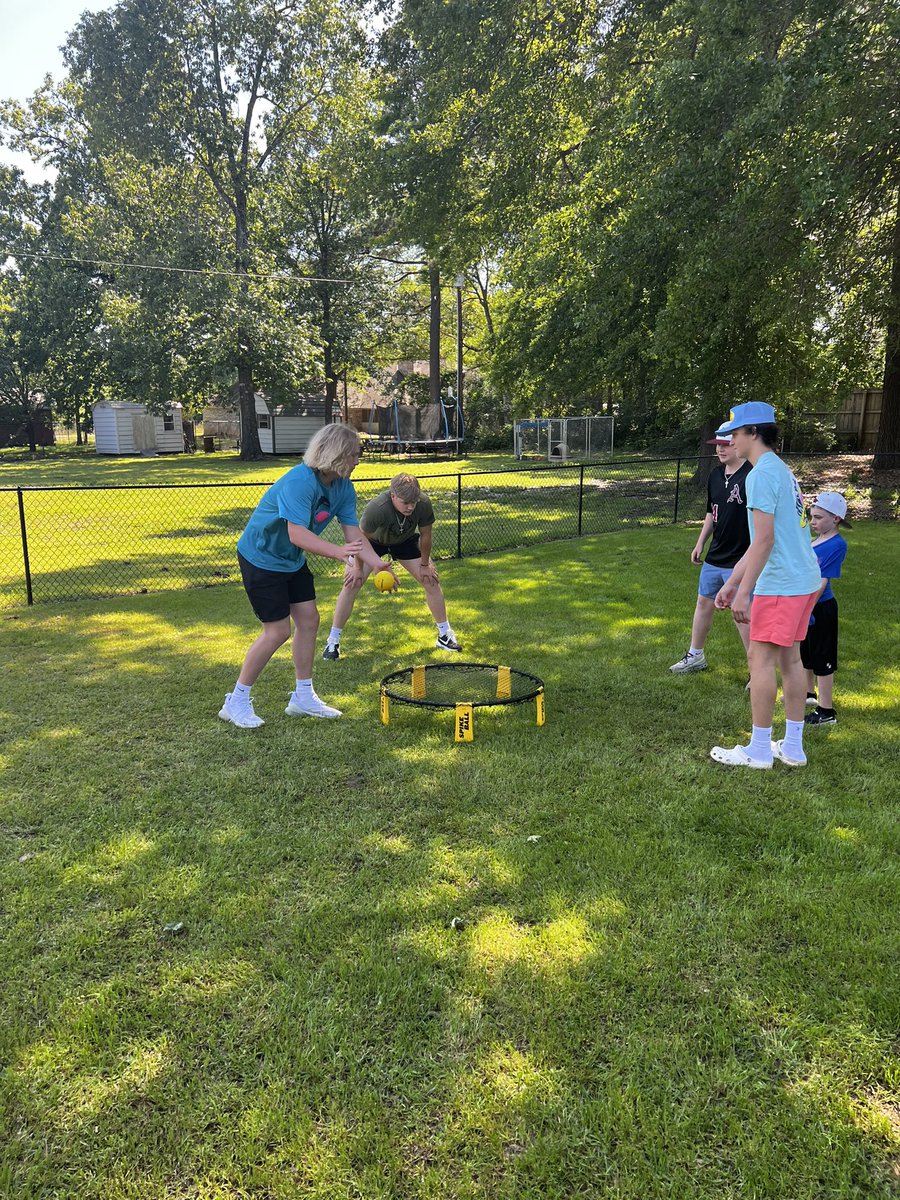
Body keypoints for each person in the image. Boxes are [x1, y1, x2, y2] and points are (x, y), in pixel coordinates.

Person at [219, 425, 395, 728]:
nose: (357, 461)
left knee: (309, 621)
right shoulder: (299, 483)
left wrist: (377, 564)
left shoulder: (342, 487)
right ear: (337, 454)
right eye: (355, 455)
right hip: (260, 558)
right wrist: (341, 554)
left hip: (289, 560)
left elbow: (354, 534)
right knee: (276, 631)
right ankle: (236, 700)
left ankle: (302, 697)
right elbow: (297, 533)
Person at [709, 402, 821, 769]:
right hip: (804, 580)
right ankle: (792, 747)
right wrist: (734, 582)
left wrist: (743, 591)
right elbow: (763, 539)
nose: (731, 441)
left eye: (735, 434)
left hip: (782, 584)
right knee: (791, 660)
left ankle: (758, 749)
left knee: (759, 660)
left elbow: (764, 541)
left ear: (753, 433)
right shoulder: (782, 471)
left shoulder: (758, 475)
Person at [322, 472, 461, 660]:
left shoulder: (423, 502)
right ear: (393, 495)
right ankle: (333, 642)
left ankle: (445, 635)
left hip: (405, 542)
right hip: (372, 543)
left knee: (431, 580)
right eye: (406, 502)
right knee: (351, 583)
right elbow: (360, 539)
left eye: (414, 502)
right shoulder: (377, 508)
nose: (411, 507)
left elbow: (426, 534)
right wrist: (357, 568)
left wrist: (424, 563)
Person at [670, 434, 752, 676]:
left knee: (741, 614)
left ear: (738, 444)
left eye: (726, 445)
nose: (721, 450)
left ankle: (755, 668)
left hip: (740, 559)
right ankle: (696, 655)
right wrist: (700, 543)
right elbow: (711, 512)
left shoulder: (752, 475)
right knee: (703, 603)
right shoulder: (715, 475)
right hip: (715, 556)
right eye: (718, 446)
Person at [800, 491, 850, 727]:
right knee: (806, 654)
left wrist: (806, 607)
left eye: (818, 518)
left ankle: (826, 711)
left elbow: (822, 582)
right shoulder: (816, 540)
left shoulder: (837, 545)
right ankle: (809, 694)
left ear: (836, 519)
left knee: (822, 658)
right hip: (805, 605)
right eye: (812, 517)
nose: (813, 522)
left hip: (821, 608)